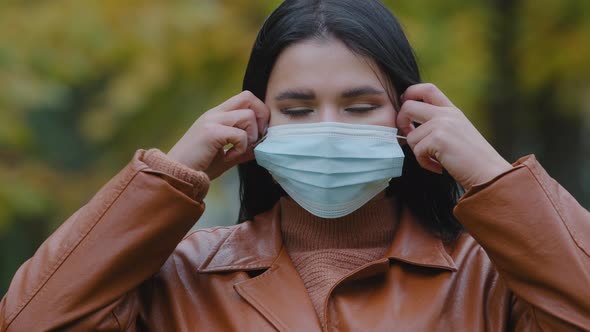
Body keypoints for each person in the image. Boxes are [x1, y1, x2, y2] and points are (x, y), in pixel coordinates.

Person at [1, 0, 589, 330]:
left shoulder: (491, 280)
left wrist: (490, 173)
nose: (329, 129)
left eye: (360, 106)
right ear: (257, 125)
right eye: (298, 108)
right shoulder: (177, 278)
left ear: (408, 120)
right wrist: (172, 173)